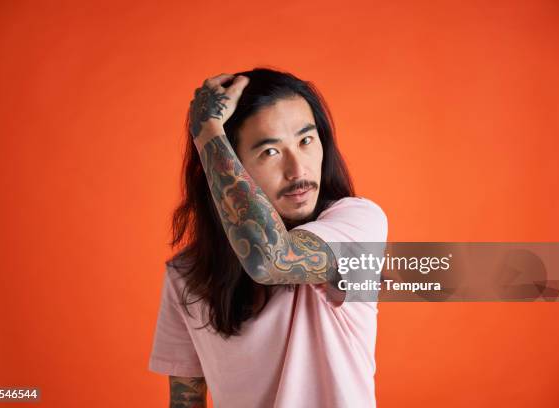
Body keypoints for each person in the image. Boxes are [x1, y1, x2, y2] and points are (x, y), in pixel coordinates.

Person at [148, 67, 388, 407]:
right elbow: (185, 401)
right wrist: (210, 138)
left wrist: (206, 132)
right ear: (225, 162)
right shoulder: (186, 275)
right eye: (270, 152)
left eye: (306, 141)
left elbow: (271, 260)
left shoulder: (358, 223)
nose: (298, 170)